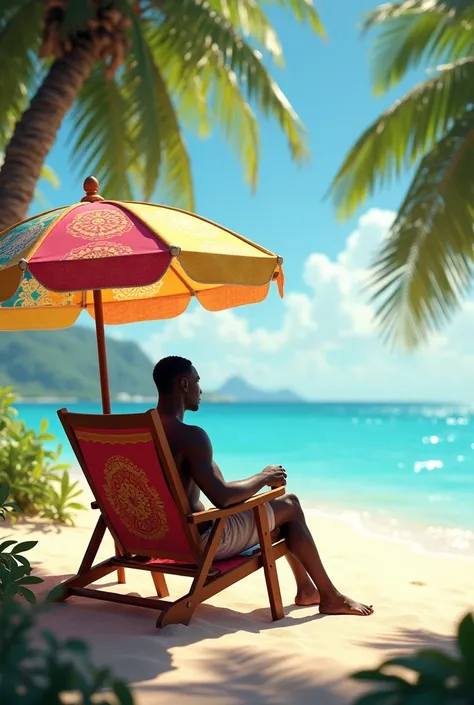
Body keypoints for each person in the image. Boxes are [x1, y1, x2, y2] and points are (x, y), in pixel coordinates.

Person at [154, 355, 373, 616]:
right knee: (290, 505)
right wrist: (264, 477)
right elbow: (222, 497)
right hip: (202, 542)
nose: (201, 389)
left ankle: (309, 591)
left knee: (284, 519)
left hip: (156, 536)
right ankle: (329, 596)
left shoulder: (143, 432)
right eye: (197, 381)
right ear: (184, 384)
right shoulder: (190, 436)